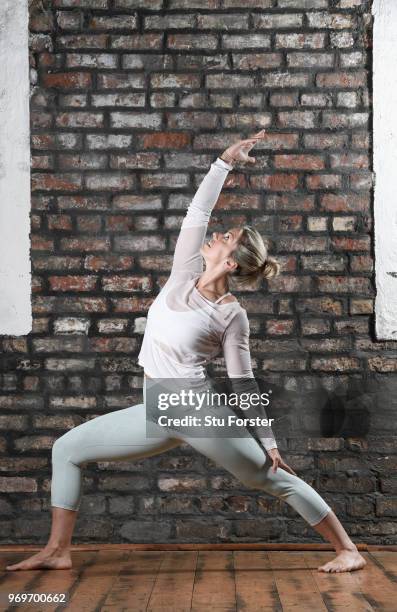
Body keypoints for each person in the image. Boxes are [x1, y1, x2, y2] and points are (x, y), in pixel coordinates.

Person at [6, 130, 366, 574]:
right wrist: (224, 162)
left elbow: (242, 381)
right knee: (67, 449)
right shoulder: (183, 273)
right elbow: (199, 209)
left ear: (231, 262)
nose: (215, 234)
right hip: (158, 407)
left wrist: (267, 441)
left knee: (269, 477)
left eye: (226, 237)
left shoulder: (231, 315)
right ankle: (58, 551)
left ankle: (349, 550)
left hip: (194, 408)